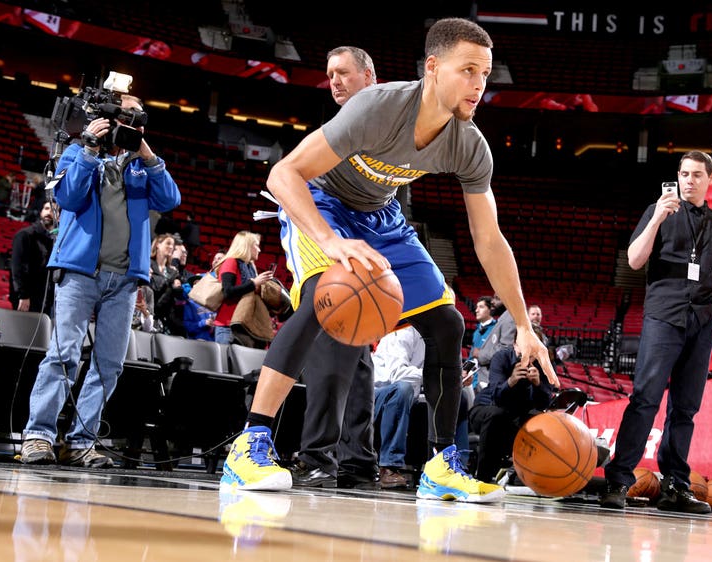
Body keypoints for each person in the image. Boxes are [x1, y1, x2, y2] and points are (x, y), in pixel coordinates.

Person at [219, 18, 554, 504]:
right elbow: (282, 174)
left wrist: (523, 325)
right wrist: (329, 241)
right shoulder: (377, 107)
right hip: (322, 203)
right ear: (433, 68)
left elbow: (490, 239)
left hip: (381, 214)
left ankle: (441, 466)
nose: (479, 84)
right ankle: (249, 446)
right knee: (320, 298)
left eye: (484, 73)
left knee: (447, 324)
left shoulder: (469, 144)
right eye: (467, 70)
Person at [20, 93, 180, 468]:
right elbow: (71, 198)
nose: (129, 120)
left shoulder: (140, 165)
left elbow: (170, 199)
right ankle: (38, 436)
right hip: (80, 274)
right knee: (63, 356)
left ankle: (81, 441)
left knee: (109, 364)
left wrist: (148, 154)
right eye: (124, 113)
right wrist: (90, 147)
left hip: (124, 280)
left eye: (135, 115)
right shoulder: (78, 153)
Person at [600, 150, 712, 513]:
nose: (688, 180)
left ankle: (676, 485)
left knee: (686, 408)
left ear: (711, 179)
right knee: (645, 398)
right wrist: (658, 216)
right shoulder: (657, 211)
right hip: (664, 315)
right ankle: (618, 480)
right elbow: (634, 259)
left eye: (696, 175)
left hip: (702, 321)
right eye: (683, 174)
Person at [288, 45, 380, 490]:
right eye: (329, 74)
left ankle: (358, 461)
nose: (335, 80)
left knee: (359, 355)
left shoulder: (386, 131)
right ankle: (317, 456)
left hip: (360, 243)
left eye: (344, 72)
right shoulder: (331, 133)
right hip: (319, 238)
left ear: (370, 77)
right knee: (332, 340)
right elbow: (292, 183)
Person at [469, 346, 555, 483]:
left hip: (518, 414)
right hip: (487, 408)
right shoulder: (501, 357)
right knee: (498, 415)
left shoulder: (544, 364)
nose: (527, 355)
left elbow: (543, 404)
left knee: (540, 422)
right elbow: (496, 397)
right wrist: (511, 381)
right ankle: (483, 478)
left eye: (532, 351)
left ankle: (527, 477)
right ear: (515, 344)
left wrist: (537, 384)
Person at [372, 325, 425, 489]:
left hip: (411, 397)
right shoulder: (404, 331)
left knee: (461, 397)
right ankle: (388, 466)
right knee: (402, 390)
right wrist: (435, 377)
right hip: (375, 395)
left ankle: (453, 467)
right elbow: (398, 375)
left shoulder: (440, 339)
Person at [212, 230, 274, 348]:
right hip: (228, 327)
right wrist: (254, 283)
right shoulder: (231, 262)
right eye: (256, 245)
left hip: (244, 327)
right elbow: (228, 292)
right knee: (227, 366)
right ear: (247, 246)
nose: (259, 250)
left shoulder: (250, 267)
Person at [9, 200, 58, 314]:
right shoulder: (25, 235)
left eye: (53, 210)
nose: (49, 212)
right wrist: (23, 295)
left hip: (46, 301)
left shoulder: (56, 241)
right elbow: (18, 268)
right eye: (46, 209)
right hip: (27, 299)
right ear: (41, 212)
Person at [473, 295, 516, 390]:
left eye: (497, 298)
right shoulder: (504, 318)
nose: (492, 301)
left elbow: (505, 350)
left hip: (491, 381)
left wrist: (480, 354)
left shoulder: (510, 320)